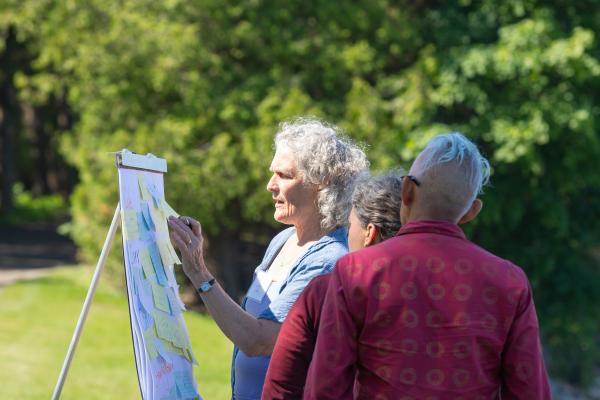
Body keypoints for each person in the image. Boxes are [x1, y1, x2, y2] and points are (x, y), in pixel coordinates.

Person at [304, 133, 552, 399]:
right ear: (472, 211)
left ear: (407, 191)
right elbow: (530, 392)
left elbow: (325, 388)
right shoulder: (509, 282)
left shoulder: (357, 271)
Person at [168, 117, 368, 400]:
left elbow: (258, 340)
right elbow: (248, 320)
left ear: (321, 185)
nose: (269, 185)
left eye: (284, 175)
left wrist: (199, 272)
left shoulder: (328, 260)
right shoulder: (282, 240)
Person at [261, 170, 404, 399]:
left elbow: (282, 383)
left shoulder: (323, 291)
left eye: (350, 225)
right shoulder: (432, 296)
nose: (347, 234)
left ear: (370, 233)